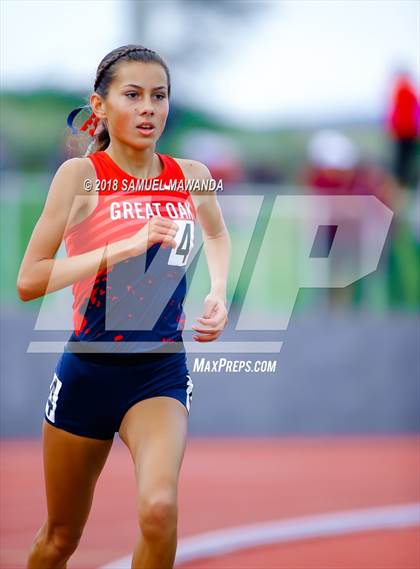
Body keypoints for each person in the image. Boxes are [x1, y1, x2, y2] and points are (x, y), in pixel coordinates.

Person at [16, 44, 230, 569]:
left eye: (158, 96)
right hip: (88, 370)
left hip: (158, 372)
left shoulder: (191, 174)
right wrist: (121, 248)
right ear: (101, 106)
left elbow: (218, 234)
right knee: (60, 539)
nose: (148, 108)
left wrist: (218, 292)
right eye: (132, 95)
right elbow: (29, 280)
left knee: (159, 510)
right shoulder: (80, 177)